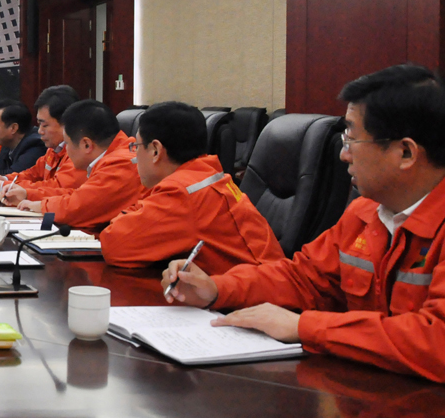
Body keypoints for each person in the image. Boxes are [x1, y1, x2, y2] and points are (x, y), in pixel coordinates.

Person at [162, 65, 445, 382]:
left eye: (352, 139)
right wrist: (216, 288)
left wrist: (303, 327)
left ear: (405, 153)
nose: (344, 155)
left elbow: (436, 341)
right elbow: (303, 278)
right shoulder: (365, 213)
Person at [99, 101, 284, 272]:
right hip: (260, 282)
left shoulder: (184, 193)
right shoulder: (204, 175)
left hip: (258, 292)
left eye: (137, 146)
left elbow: (113, 245)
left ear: (155, 150)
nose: (135, 154)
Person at [2, 99, 142, 233]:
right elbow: (79, 195)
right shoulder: (112, 156)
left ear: (86, 145)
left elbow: (79, 207)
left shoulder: (122, 163)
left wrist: (38, 205)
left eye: (67, 144)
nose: (65, 150)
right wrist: (29, 195)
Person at [0, 85, 85, 199]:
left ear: (67, 124)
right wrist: (4, 179)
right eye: (39, 124)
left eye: (45, 125)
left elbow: (57, 188)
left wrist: (5, 186)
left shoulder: (80, 153)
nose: (40, 131)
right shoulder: (54, 149)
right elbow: (32, 174)